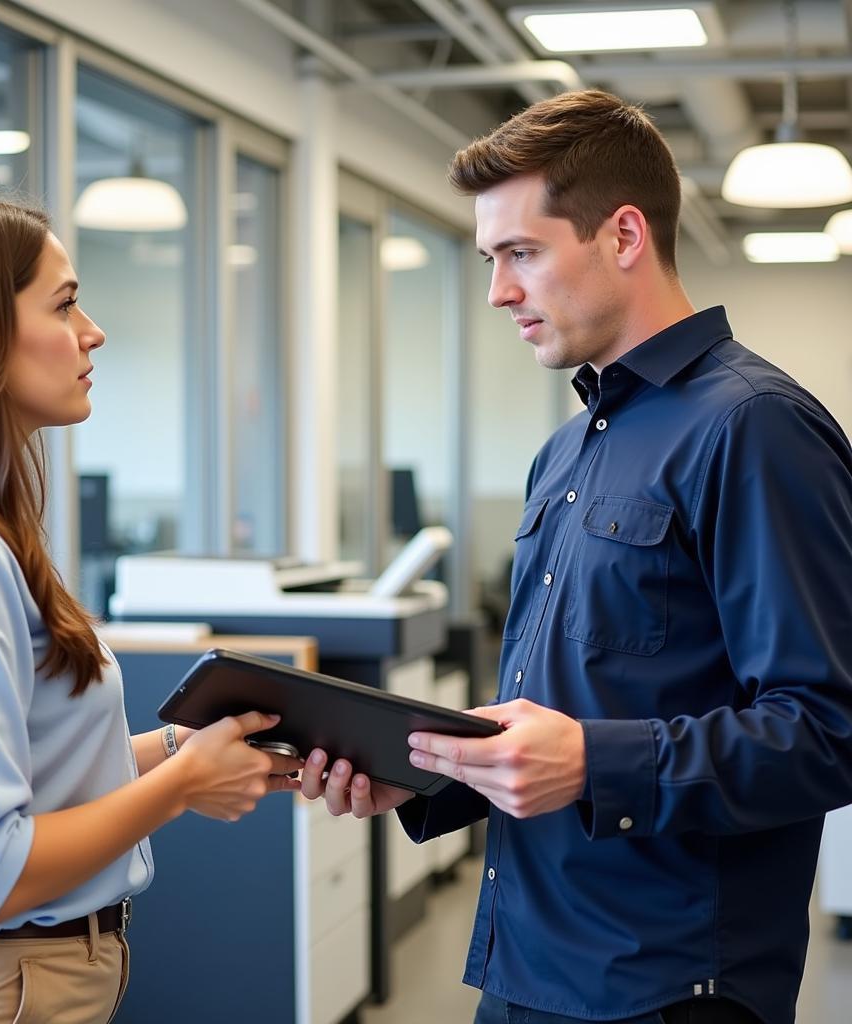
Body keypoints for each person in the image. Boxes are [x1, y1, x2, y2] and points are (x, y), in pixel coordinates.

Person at [301, 90, 852, 1024]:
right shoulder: (565, 452)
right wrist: (431, 769)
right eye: (489, 259)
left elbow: (828, 728)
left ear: (625, 235)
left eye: (521, 253)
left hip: (668, 984)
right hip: (525, 962)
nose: (498, 291)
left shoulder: (753, 428)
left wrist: (597, 763)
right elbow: (567, 706)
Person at [0, 194, 302, 1023]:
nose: (93, 331)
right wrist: (185, 784)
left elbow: (24, 782)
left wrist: (176, 747)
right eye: (64, 302)